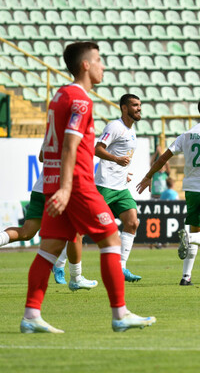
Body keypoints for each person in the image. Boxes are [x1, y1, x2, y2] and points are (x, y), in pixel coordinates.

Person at [20, 41, 155, 333]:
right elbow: (70, 145)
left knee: (49, 248)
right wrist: (69, 188)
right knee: (111, 240)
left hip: (53, 181)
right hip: (77, 184)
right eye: (99, 60)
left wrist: (58, 185)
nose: (102, 65)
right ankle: (120, 314)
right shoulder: (82, 100)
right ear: (85, 65)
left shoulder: (59, 95)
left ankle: (31, 314)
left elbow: (48, 148)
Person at [137, 96, 200, 286]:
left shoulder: (187, 134)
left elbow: (162, 158)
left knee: (195, 231)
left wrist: (148, 176)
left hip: (192, 190)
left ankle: (186, 277)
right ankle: (189, 237)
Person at [1, 169, 97, 290]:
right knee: (77, 231)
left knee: (26, 232)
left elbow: (42, 157)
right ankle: (76, 278)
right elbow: (73, 161)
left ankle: (60, 267)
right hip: (59, 190)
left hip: (41, 188)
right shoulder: (72, 148)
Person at [94, 93, 143, 282]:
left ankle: (121, 267)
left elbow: (121, 157)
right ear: (124, 108)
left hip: (121, 187)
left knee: (132, 222)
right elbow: (97, 149)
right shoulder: (115, 126)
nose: (139, 108)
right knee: (83, 228)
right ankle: (59, 264)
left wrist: (125, 173)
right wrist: (116, 160)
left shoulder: (131, 130)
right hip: (104, 186)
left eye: (140, 105)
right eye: (134, 105)